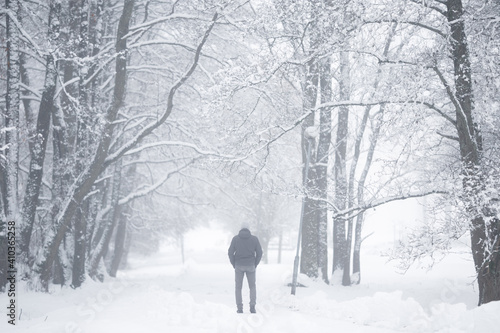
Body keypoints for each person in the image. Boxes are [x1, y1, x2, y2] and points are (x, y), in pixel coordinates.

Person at [227, 224, 263, 314]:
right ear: (249, 230)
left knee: (238, 287)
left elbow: (230, 252)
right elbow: (260, 252)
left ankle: (239, 308)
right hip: (251, 265)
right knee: (252, 287)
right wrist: (255, 263)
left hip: (239, 265)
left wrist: (234, 263)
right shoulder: (254, 239)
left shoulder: (235, 239)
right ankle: (252, 306)